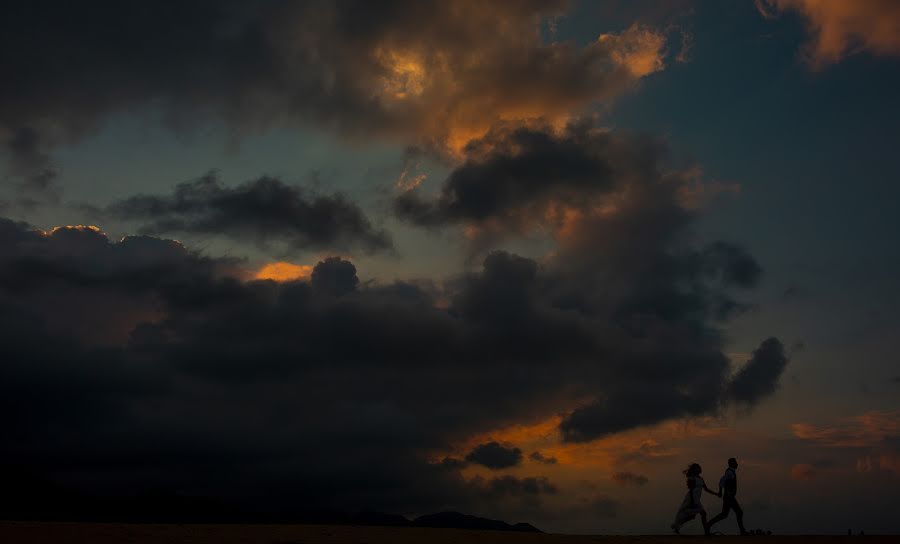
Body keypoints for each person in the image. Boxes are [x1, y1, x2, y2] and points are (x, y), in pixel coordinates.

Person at [671, 463, 719, 535]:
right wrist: (693, 502)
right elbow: (691, 490)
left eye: (699, 467)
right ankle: (706, 532)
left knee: (693, 516)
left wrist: (716, 494)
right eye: (698, 468)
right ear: (694, 469)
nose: (700, 468)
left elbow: (706, 489)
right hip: (691, 499)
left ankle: (677, 525)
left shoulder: (701, 479)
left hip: (696, 499)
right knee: (702, 514)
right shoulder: (692, 478)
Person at [706, 457, 750, 535]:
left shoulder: (731, 472)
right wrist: (721, 492)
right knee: (739, 512)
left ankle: (709, 524)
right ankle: (742, 531)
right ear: (731, 463)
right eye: (735, 462)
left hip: (728, 496)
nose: (737, 464)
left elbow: (721, 482)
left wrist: (721, 492)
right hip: (729, 497)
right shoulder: (730, 472)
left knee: (724, 514)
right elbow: (721, 481)